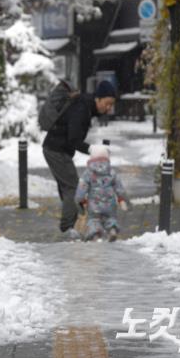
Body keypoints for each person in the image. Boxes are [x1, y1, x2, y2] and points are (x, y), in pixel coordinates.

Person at [42, 80, 116, 239]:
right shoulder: (82, 108)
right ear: (98, 98)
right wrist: (92, 149)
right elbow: (73, 139)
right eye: (107, 103)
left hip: (58, 149)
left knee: (67, 186)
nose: (109, 108)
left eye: (111, 105)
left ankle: (72, 225)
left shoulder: (87, 107)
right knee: (73, 188)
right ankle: (67, 229)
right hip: (56, 149)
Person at [74, 144, 128, 242]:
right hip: (110, 203)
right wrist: (121, 199)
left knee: (93, 220)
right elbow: (119, 186)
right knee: (111, 217)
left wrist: (80, 199)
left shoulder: (88, 173)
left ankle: (95, 236)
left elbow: (82, 188)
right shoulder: (111, 172)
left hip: (94, 204)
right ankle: (112, 230)